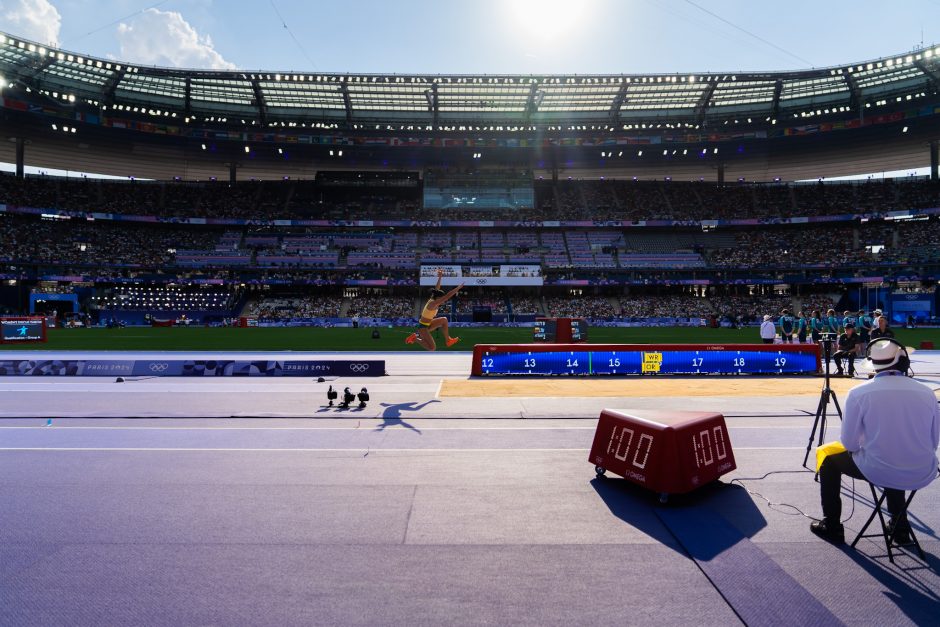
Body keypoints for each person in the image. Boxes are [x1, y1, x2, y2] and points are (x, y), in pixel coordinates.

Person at [811, 339, 940, 544]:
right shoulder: (927, 393)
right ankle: (900, 527)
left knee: (829, 461)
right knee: (894, 455)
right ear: (903, 362)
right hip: (923, 469)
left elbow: (850, 444)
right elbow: (934, 442)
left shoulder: (859, 393)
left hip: (881, 469)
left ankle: (832, 525)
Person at [405, 269, 463, 351]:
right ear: (438, 298)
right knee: (432, 348)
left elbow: (437, 289)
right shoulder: (433, 303)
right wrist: (458, 288)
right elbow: (447, 296)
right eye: (441, 298)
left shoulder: (434, 299)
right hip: (423, 327)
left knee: (444, 320)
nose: (442, 300)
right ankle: (415, 338)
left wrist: (440, 277)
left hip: (428, 324)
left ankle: (448, 340)